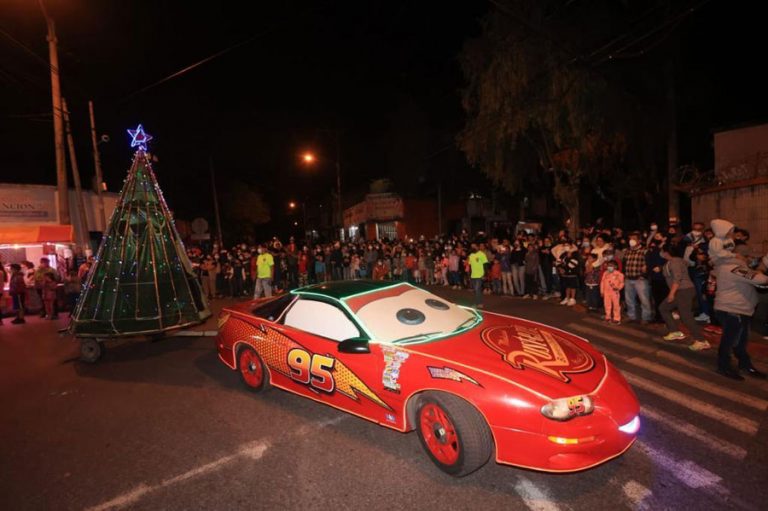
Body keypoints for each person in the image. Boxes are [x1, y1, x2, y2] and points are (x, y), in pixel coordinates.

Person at [710, 224, 768, 380]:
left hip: (737, 309)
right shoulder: (734, 268)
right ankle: (724, 367)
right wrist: (761, 271)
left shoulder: (729, 266)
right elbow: (760, 280)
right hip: (733, 310)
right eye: (747, 256)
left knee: (739, 341)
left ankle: (745, 365)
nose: (749, 258)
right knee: (731, 341)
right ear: (739, 255)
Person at [658, 240, 710, 350]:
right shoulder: (671, 262)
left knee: (686, 317)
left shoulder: (676, 262)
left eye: (662, 251)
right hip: (679, 290)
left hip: (684, 290)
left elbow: (677, 279)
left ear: (667, 252)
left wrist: (671, 294)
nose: (661, 253)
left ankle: (701, 341)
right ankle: (674, 331)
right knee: (663, 308)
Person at [622, 232, 653, 324]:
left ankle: (646, 317)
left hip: (640, 279)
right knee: (629, 299)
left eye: (634, 238)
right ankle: (631, 316)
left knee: (644, 299)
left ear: (639, 240)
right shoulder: (627, 251)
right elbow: (624, 264)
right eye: (630, 238)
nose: (631, 241)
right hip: (628, 278)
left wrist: (645, 272)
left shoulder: (645, 251)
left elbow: (650, 264)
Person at [600, 260, 624, 324]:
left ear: (615, 266)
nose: (609, 267)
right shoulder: (605, 273)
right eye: (608, 266)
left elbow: (622, 283)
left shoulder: (619, 274)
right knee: (607, 305)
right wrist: (602, 291)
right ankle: (608, 317)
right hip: (606, 292)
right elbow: (602, 282)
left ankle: (617, 318)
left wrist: (618, 288)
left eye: (611, 266)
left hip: (614, 292)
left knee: (616, 305)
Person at [468, 243, 488, 308]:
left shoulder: (482, 254)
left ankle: (479, 303)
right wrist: (469, 275)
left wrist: (485, 274)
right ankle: (478, 303)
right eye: (471, 247)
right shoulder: (471, 255)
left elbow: (485, 265)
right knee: (476, 290)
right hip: (473, 275)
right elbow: (470, 266)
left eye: (474, 246)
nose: (472, 247)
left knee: (477, 289)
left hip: (480, 275)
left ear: (477, 247)